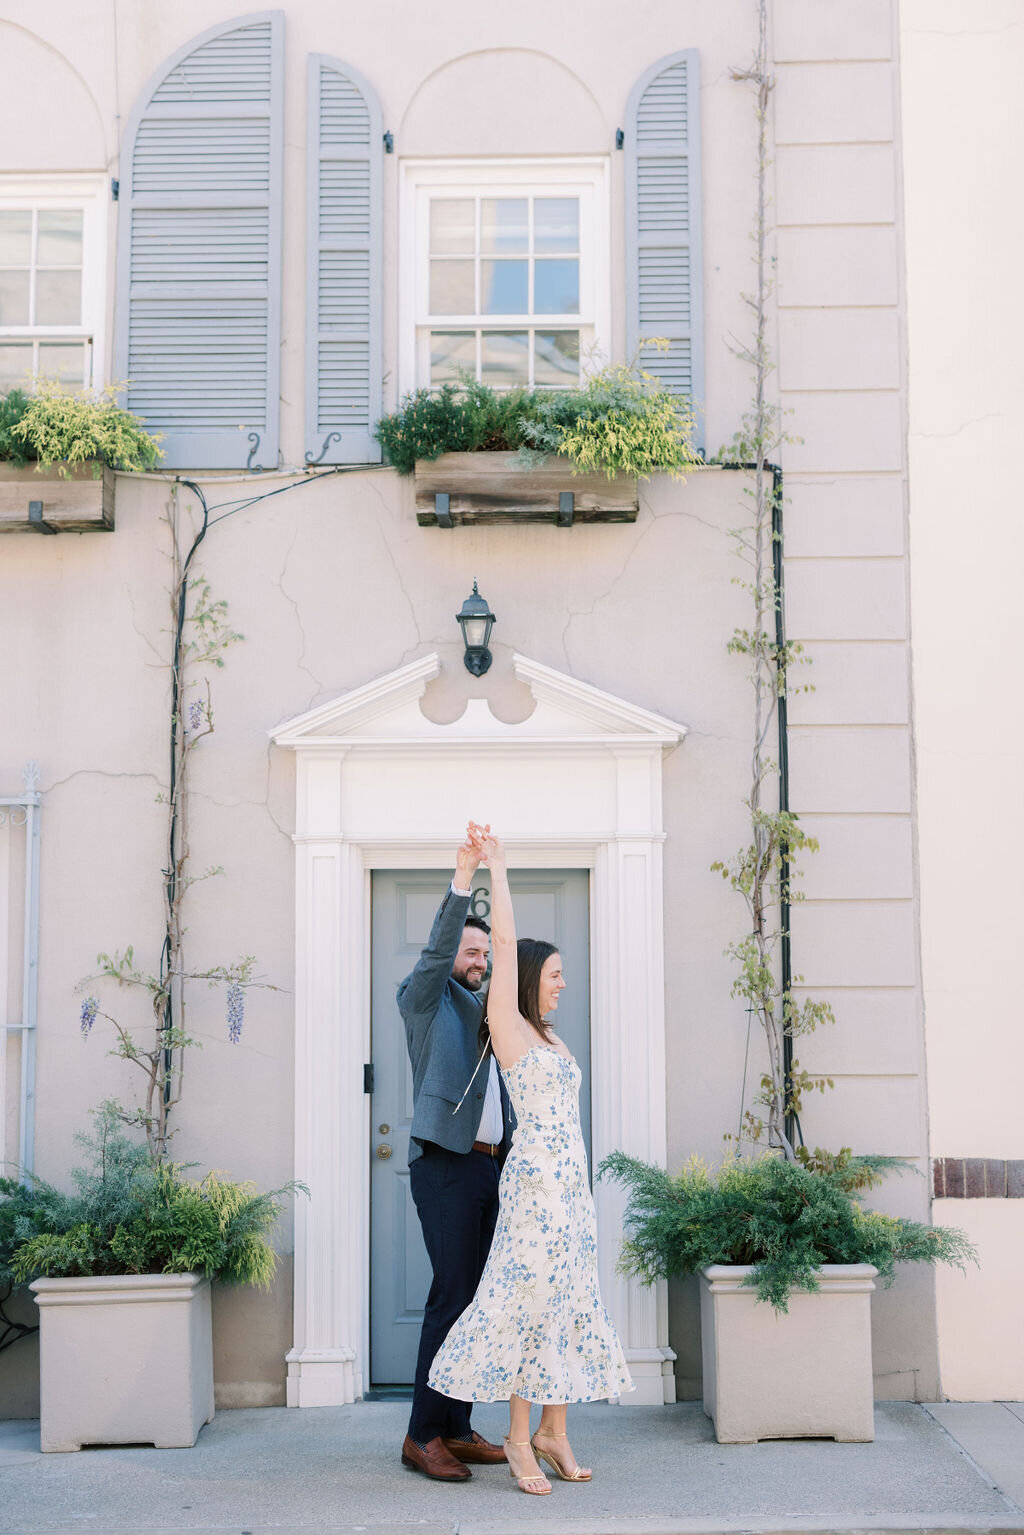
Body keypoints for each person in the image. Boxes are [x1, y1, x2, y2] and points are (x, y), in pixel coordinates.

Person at [428, 823, 633, 1496]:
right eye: (554, 974)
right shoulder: (510, 1030)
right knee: (529, 1305)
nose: (563, 983)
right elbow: (509, 946)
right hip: (533, 1194)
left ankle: (555, 1429)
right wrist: (500, 870)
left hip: (571, 1195)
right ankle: (519, 1438)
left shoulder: (552, 1037)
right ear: (526, 981)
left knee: (570, 1303)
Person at [398, 832, 514, 1482]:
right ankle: (421, 1434)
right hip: (444, 1163)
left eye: (481, 952)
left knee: (474, 1303)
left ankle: (457, 1425)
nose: (475, 958)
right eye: (468, 950)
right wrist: (465, 876)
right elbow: (439, 950)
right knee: (450, 1296)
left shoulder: (486, 1013)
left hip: (488, 1166)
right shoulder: (424, 999)